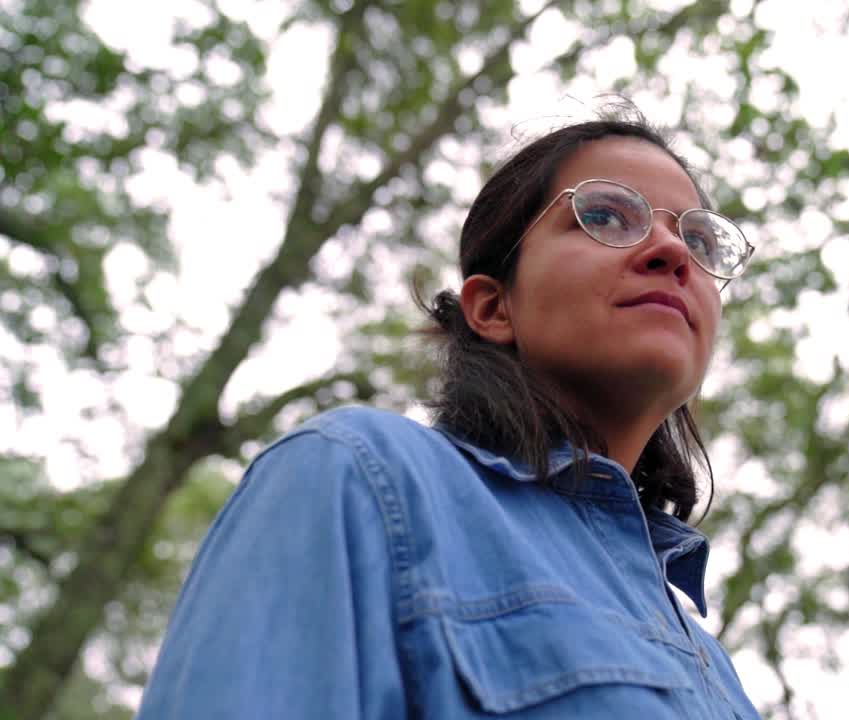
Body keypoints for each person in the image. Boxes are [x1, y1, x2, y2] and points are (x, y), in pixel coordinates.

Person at [136, 109, 760, 719]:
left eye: (699, 240)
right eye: (603, 216)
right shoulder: (359, 477)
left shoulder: (719, 671)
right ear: (493, 309)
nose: (673, 252)